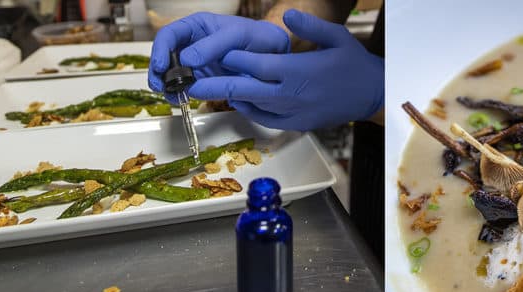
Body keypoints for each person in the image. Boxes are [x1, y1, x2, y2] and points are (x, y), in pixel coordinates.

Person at [149, 1, 385, 261]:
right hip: (378, 163)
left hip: (413, 126)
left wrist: (384, 92)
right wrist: (274, 32)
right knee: (372, 259)